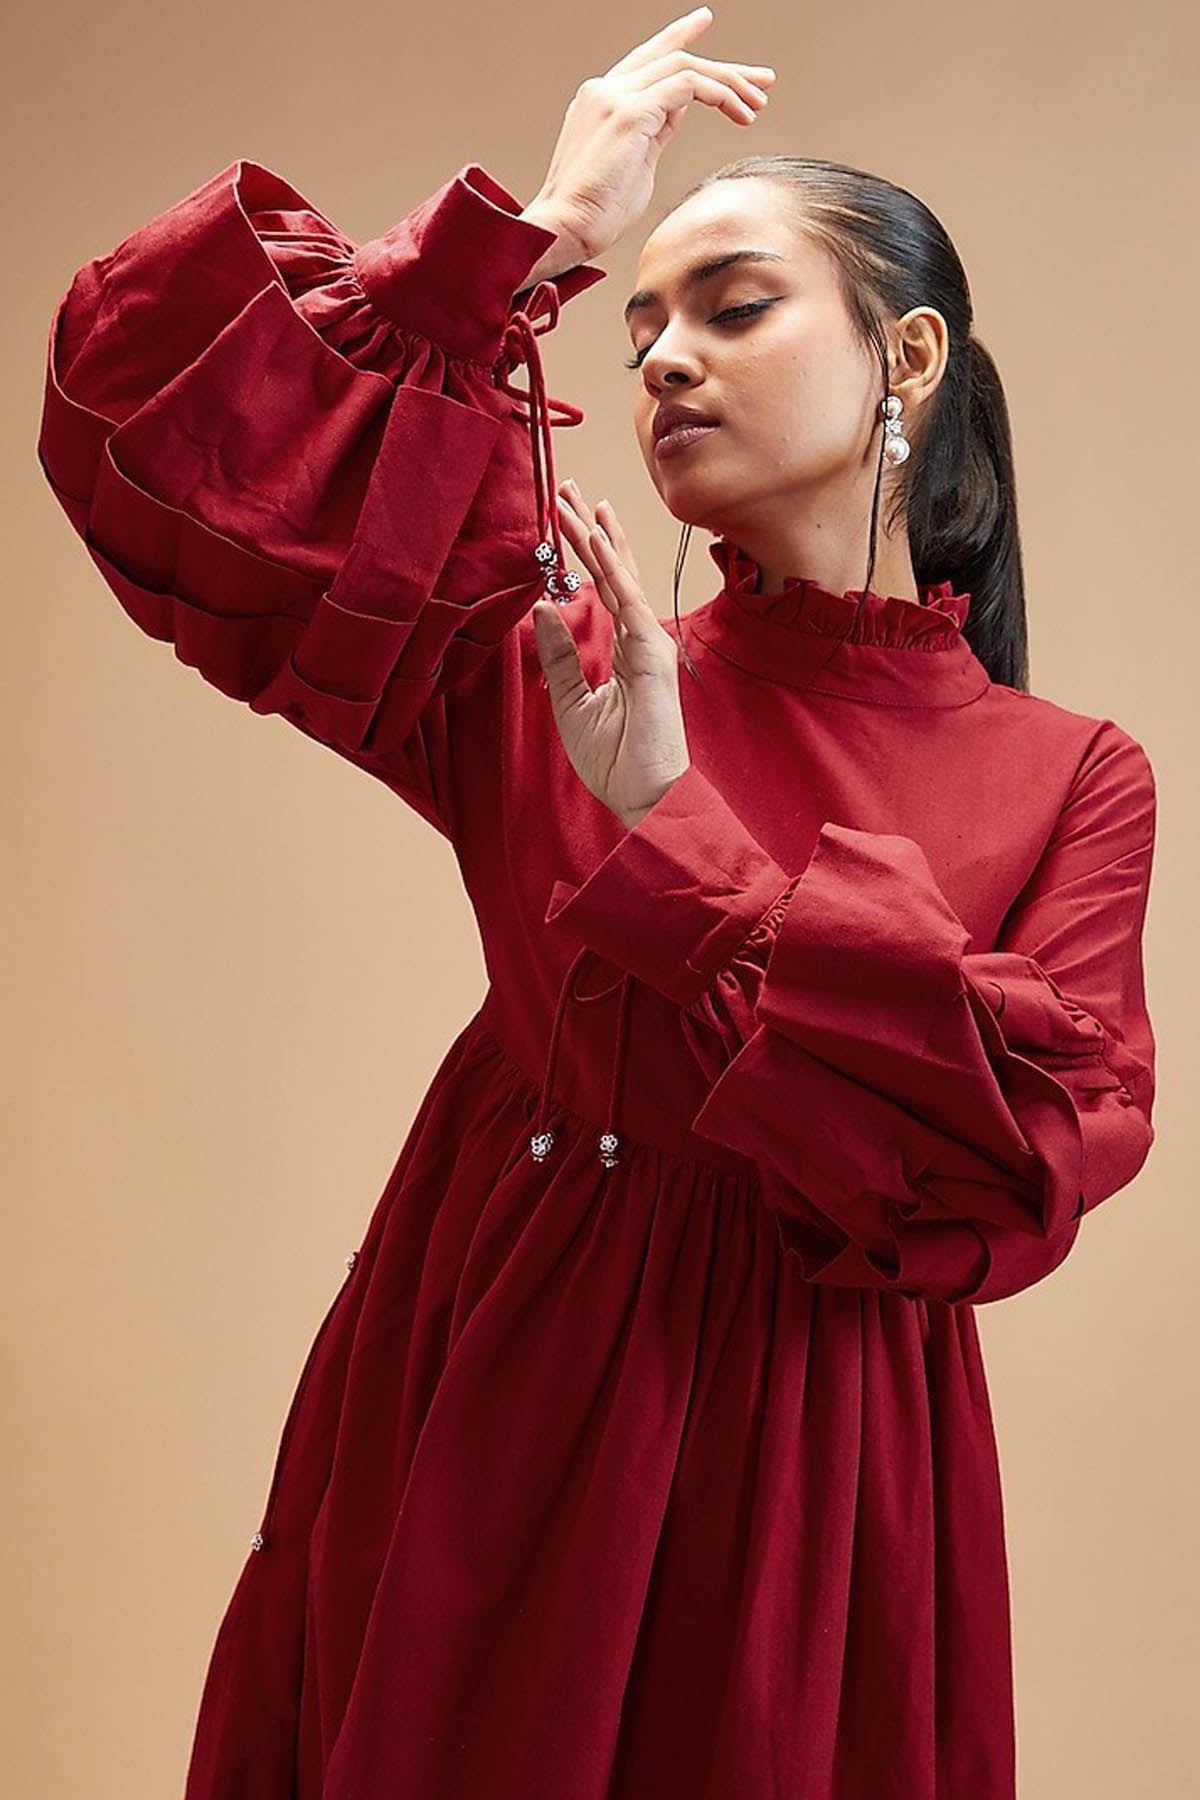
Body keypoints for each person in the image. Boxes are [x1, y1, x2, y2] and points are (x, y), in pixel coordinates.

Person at [37, 6, 1157, 1796]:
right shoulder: (543, 650)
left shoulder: (1075, 775)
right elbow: (156, 434)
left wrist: (668, 821)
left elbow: (1014, 1158)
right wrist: (535, 232)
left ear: (910, 355)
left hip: (821, 1453)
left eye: (732, 307)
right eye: (638, 331)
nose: (665, 367)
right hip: (504, 1390)